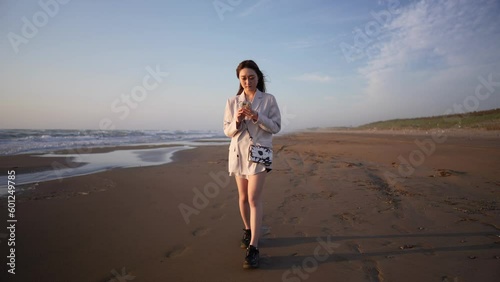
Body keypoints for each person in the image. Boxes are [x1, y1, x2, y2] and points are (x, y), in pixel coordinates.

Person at [223, 60, 281, 269]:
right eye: (243, 78)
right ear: (239, 80)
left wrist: (256, 116)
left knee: (254, 198)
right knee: (242, 197)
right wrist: (237, 121)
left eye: (251, 77)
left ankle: (254, 247)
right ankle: (248, 230)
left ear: (258, 77)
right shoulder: (232, 102)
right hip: (238, 153)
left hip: (260, 152)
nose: (247, 81)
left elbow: (276, 127)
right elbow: (227, 131)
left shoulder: (268, 100)